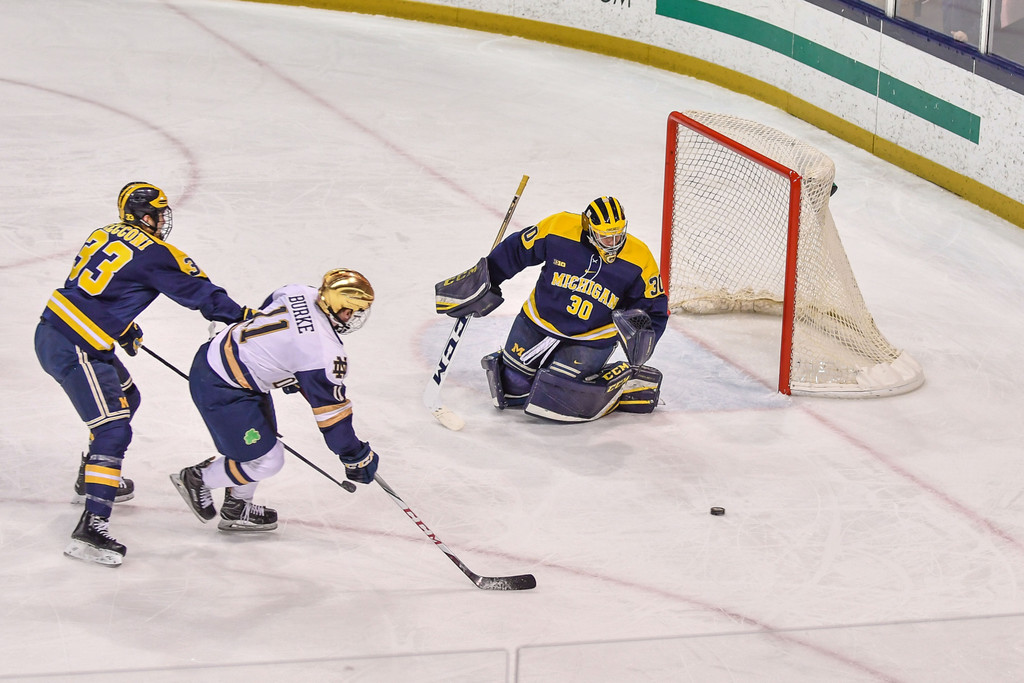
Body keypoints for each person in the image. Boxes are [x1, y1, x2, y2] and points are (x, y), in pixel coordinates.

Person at [35, 181, 253, 567]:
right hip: (76, 345)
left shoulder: (104, 233)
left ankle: (92, 476)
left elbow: (92, 290)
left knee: (126, 396)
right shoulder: (157, 254)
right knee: (113, 428)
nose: (162, 220)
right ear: (143, 216)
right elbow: (204, 295)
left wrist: (120, 327)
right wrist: (245, 318)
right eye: (157, 213)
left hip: (60, 330)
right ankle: (92, 526)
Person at [169, 268, 380, 533]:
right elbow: (333, 420)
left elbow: (264, 314)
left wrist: (284, 361)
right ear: (340, 307)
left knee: (262, 442)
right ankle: (198, 479)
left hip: (223, 358)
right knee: (268, 459)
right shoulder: (324, 354)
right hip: (222, 386)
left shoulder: (299, 291)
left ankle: (238, 506)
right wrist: (354, 455)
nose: (353, 317)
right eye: (353, 311)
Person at [435, 196, 669, 422]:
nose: (613, 243)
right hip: (538, 321)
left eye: (618, 235)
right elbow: (517, 249)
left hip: (590, 337)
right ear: (588, 227)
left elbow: (654, 307)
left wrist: (643, 334)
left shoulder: (640, 258)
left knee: (558, 398)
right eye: (605, 237)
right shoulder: (559, 227)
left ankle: (623, 382)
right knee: (511, 388)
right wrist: (486, 279)